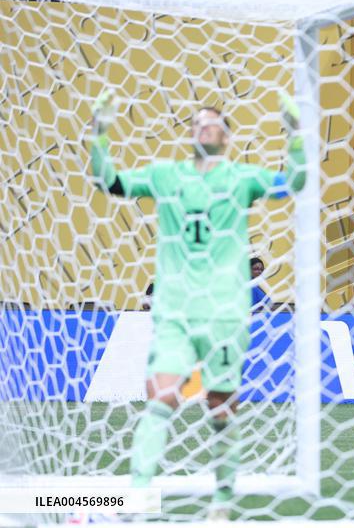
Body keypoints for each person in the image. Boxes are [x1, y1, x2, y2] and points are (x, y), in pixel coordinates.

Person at [88, 93, 305, 519]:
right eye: (199, 121)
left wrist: (295, 136)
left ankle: (222, 501)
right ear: (189, 134)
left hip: (225, 313)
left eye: (215, 123)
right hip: (175, 312)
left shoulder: (242, 177)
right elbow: (108, 183)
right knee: (161, 396)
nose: (206, 126)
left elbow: (293, 183)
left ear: (226, 137)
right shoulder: (166, 175)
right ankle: (137, 495)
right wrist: (99, 137)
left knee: (222, 407)